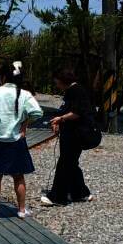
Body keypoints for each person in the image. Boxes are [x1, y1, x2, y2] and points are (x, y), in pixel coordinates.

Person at [0, 61, 43, 218]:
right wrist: (24, 125)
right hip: (16, 139)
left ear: (3, 77)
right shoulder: (24, 94)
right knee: (18, 177)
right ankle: (21, 210)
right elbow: (37, 113)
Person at [41, 69, 97, 206]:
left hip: (76, 133)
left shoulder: (76, 91)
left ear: (63, 81)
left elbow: (77, 113)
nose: (57, 85)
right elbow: (66, 110)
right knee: (71, 163)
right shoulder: (71, 91)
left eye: (57, 83)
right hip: (70, 132)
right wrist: (58, 121)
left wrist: (61, 118)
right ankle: (81, 193)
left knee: (65, 164)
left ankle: (58, 197)